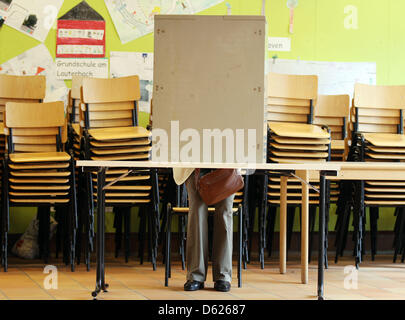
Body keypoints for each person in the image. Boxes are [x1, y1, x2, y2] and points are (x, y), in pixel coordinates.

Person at [173, 168, 235, 292]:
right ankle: (196, 275)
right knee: (197, 213)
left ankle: (223, 276)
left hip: (227, 161)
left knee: (224, 213)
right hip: (194, 161)